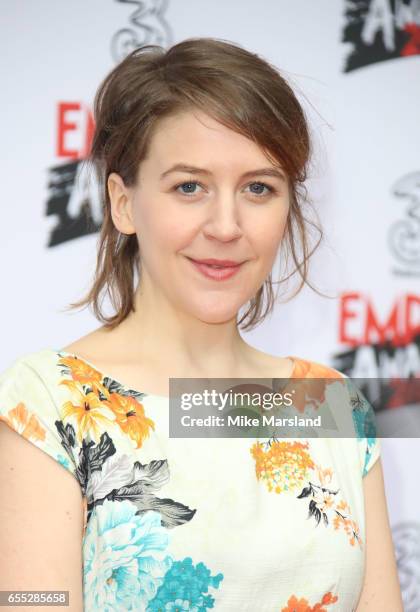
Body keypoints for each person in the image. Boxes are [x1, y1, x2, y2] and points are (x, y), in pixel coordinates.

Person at [0, 37, 403, 611]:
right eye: (189, 187)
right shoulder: (48, 405)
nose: (225, 225)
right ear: (122, 203)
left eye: (258, 188)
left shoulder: (330, 404)